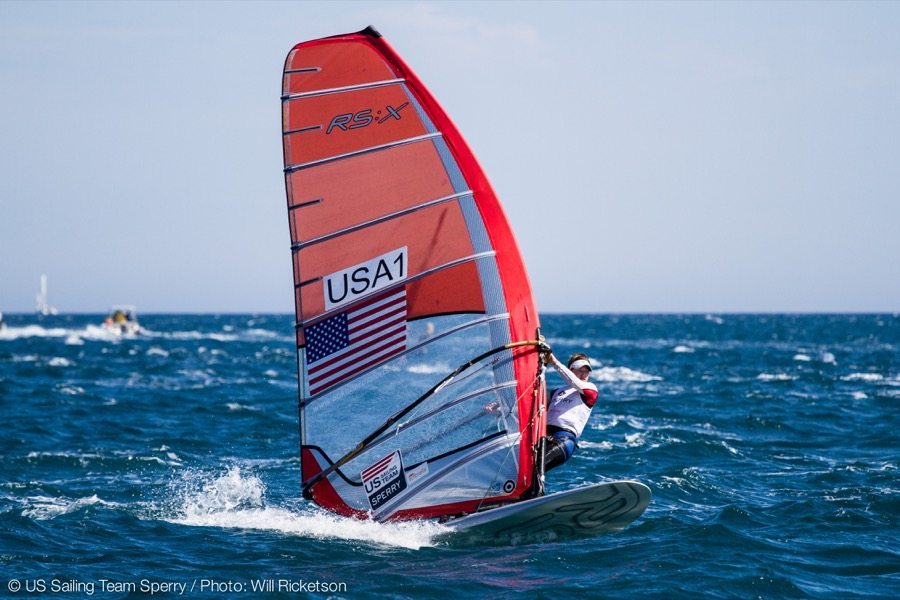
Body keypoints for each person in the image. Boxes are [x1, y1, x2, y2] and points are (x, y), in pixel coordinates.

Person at [542, 352, 599, 472]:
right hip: (544, 439)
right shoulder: (556, 393)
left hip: (565, 440)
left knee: (537, 466)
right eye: (580, 370)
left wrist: (555, 363)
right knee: (527, 469)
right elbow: (535, 407)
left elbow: (574, 382)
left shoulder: (590, 389)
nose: (584, 374)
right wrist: (501, 407)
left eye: (586, 371)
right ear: (571, 370)